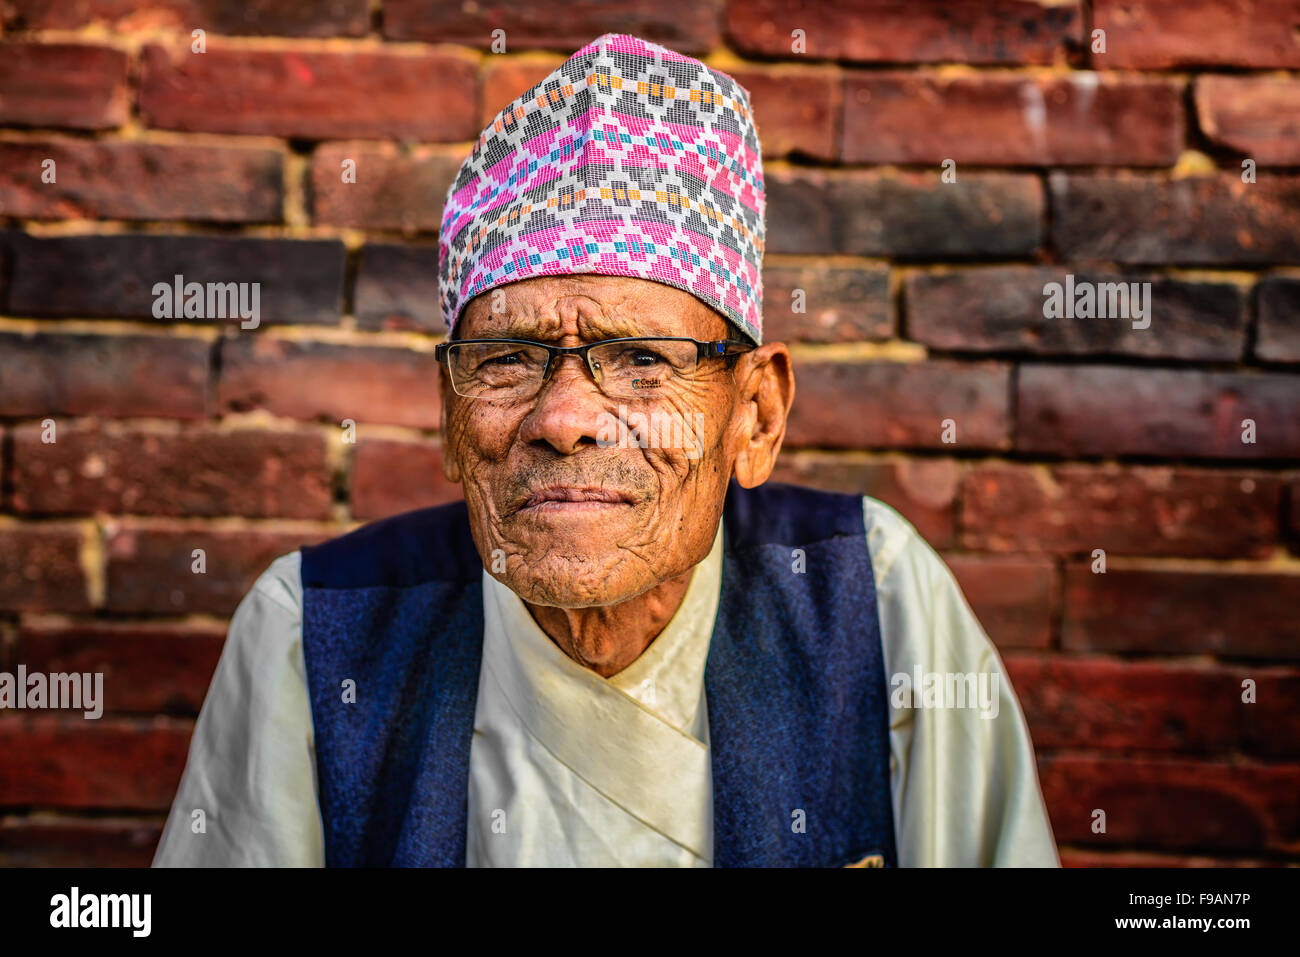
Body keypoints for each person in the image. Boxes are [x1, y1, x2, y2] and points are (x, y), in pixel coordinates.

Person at [154, 32, 1058, 868]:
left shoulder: (880, 600)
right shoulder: (309, 635)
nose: (566, 417)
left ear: (755, 416)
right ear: (449, 413)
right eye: (508, 359)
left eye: (642, 360)